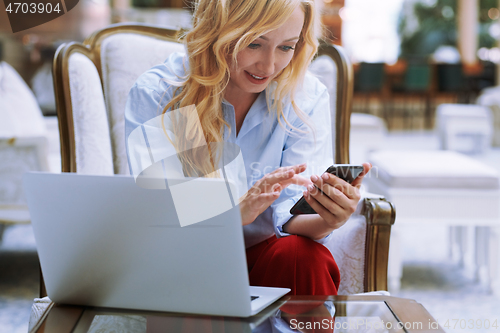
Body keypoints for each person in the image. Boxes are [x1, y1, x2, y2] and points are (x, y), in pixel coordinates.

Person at [125, 0, 371, 295]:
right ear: (219, 31)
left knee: (304, 256)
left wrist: (328, 218)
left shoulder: (303, 96)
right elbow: (160, 222)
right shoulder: (162, 93)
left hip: (263, 256)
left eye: (286, 47)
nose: (269, 66)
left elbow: (291, 213)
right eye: (254, 43)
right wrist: (234, 212)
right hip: (185, 256)